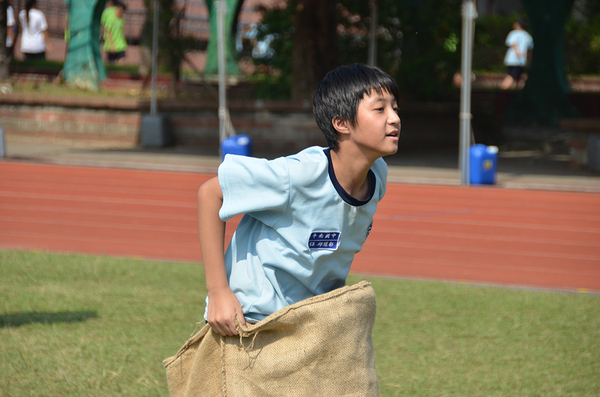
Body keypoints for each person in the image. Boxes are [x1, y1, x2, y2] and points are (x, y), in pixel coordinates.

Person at [197, 64, 401, 336]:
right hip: (253, 321)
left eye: (395, 108)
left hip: (310, 323)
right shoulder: (297, 176)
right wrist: (219, 292)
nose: (394, 118)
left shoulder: (378, 175)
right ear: (341, 123)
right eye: (380, 109)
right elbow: (211, 193)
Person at [500, 19, 533, 90]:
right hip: (521, 61)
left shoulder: (513, 33)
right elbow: (530, 49)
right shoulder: (528, 36)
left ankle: (503, 90)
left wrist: (518, 52)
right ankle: (506, 90)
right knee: (515, 76)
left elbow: (513, 43)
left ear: (519, 25)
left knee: (515, 76)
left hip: (512, 59)